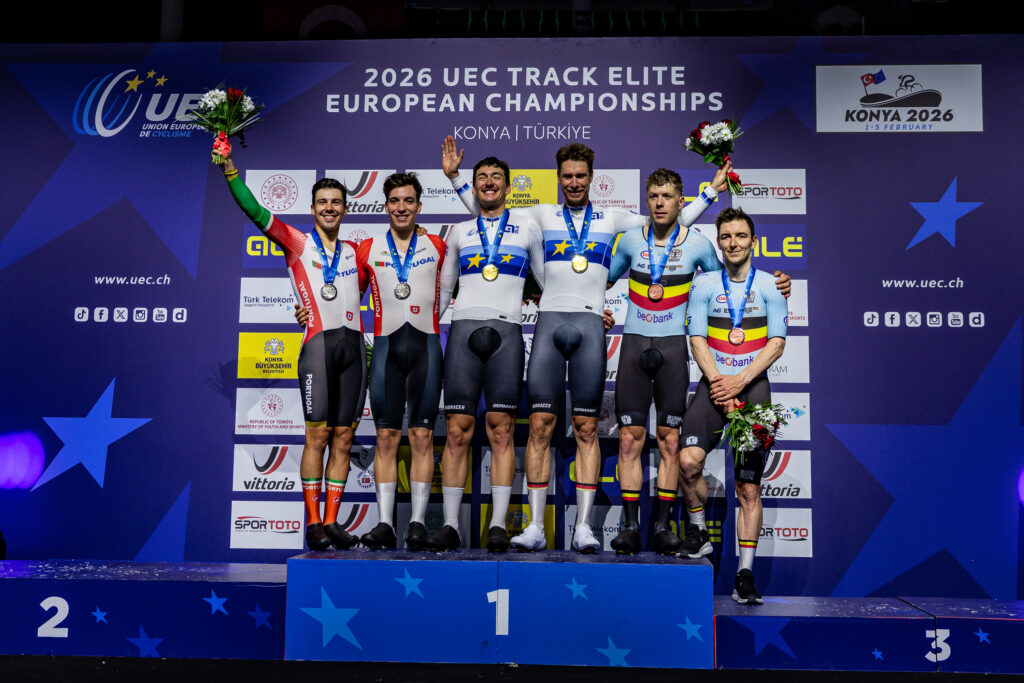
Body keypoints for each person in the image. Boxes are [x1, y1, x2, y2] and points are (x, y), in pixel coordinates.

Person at [443, 138, 717, 552]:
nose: (574, 182)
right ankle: (535, 525)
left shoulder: (613, 218)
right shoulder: (540, 215)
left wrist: (710, 193)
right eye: (567, 176)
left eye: (580, 176)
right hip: (549, 323)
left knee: (587, 427)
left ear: (591, 178)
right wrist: (456, 180)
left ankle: (584, 527)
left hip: (589, 325)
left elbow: (667, 219)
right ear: (559, 178)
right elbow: (489, 213)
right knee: (540, 425)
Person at [217, 141, 366, 552]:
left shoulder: (357, 253)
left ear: (346, 209)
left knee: (344, 438)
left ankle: (333, 522)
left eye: (336, 202)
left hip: (354, 349)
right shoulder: (297, 242)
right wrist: (229, 168)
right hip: (317, 347)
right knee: (317, 436)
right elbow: (253, 210)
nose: (330, 208)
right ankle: (314, 522)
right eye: (323, 203)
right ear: (312, 208)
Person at [428, 156, 546, 552]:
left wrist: (592, 307)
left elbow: (548, 281)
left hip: (507, 333)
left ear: (509, 187)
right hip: (463, 332)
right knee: (456, 431)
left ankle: (497, 524)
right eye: (482, 178)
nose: (489, 182)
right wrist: (421, 327)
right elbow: (444, 292)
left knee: (501, 430)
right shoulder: (460, 231)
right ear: (474, 187)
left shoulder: (527, 227)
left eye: (497, 177)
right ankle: (451, 525)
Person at [679, 207, 787, 604]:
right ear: (719, 241)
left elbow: (776, 343)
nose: (733, 243)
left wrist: (739, 381)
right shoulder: (705, 284)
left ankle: (745, 575)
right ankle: (698, 533)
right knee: (687, 461)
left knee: (748, 487)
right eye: (726, 236)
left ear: (753, 241)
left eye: (741, 236)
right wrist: (719, 385)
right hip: (714, 386)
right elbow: (697, 339)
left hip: (753, 389)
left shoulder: (772, 285)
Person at [356, 173, 448, 550]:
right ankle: (384, 524)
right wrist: (307, 311)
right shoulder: (367, 248)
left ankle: (417, 523)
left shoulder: (438, 245)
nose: (401, 207)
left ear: (419, 206)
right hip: (385, 350)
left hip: (426, 348)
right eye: (394, 201)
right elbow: (344, 297)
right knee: (385, 437)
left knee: (422, 436)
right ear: (385, 206)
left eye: (408, 201)